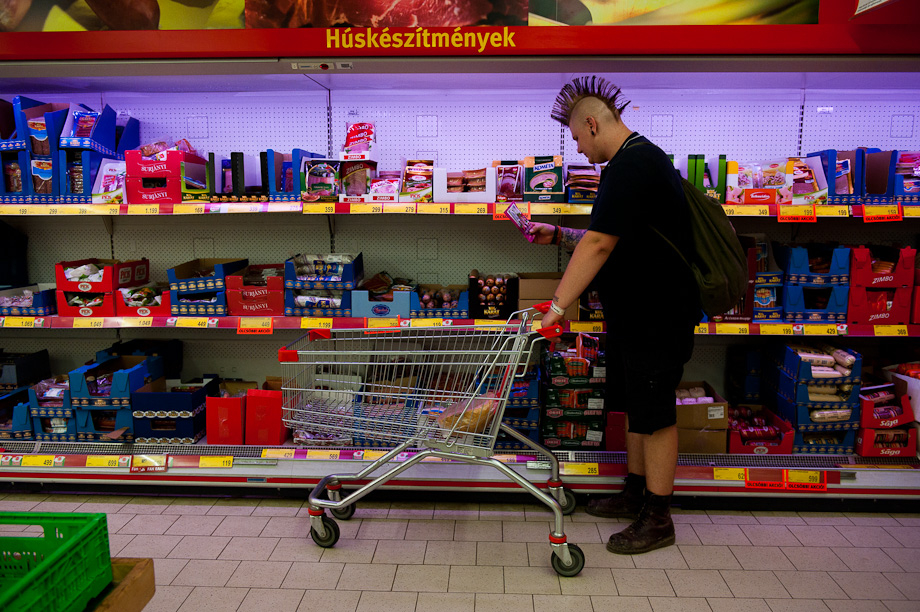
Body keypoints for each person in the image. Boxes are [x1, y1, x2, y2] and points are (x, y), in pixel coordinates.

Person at [526, 76, 701, 555]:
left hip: (657, 312)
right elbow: (614, 237)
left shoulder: (634, 163)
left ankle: (658, 516)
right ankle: (635, 492)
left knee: (655, 411)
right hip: (635, 310)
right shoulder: (631, 162)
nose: (580, 151)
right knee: (633, 405)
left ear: (590, 122)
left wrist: (557, 307)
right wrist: (558, 234)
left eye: (578, 140)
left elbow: (602, 243)